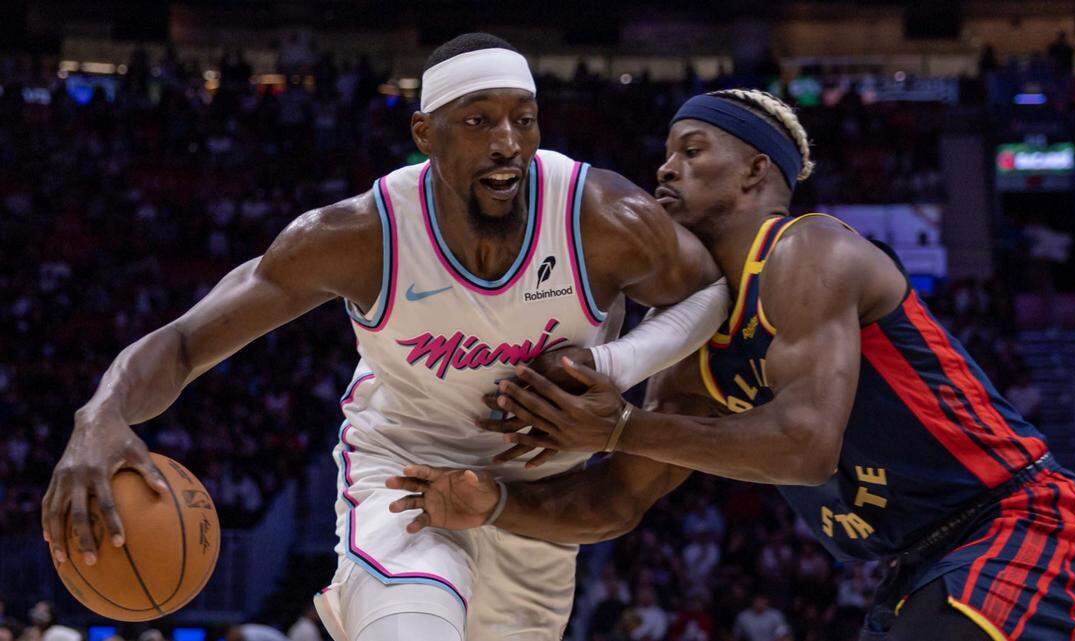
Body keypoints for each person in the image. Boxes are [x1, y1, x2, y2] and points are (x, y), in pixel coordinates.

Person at [41, 33, 728, 641]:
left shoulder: (599, 215)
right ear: (426, 133)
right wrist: (99, 414)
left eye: (523, 119)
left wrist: (612, 362)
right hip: (404, 473)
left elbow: (710, 292)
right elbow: (189, 340)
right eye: (479, 120)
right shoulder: (357, 236)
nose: (508, 143)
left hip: (538, 497)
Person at [387, 88, 1075, 640]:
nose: (665, 167)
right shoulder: (695, 340)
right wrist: (497, 505)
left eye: (692, 149)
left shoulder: (810, 249)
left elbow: (803, 448)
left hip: (1019, 523)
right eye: (668, 151)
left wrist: (618, 427)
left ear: (754, 171)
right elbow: (614, 500)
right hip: (912, 566)